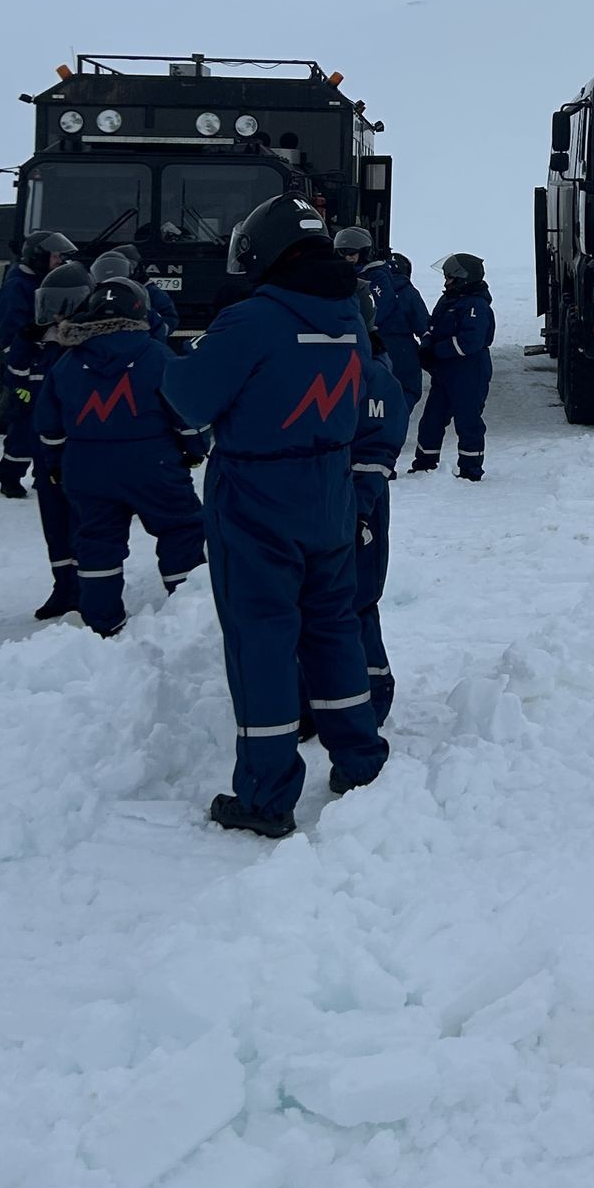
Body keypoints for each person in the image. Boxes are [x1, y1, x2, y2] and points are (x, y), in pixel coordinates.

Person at [162, 194, 388, 838]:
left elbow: (189, 401)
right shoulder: (346, 314)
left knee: (261, 638)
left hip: (257, 494)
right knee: (332, 627)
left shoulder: (251, 320)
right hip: (330, 488)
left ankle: (265, 795)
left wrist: (172, 354)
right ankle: (360, 759)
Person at [33, 275, 209, 636]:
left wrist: (55, 465)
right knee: (180, 530)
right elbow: (185, 413)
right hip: (153, 465)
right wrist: (194, 450)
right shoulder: (156, 354)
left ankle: (102, 622)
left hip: (86, 469)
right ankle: (189, 611)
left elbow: (48, 427)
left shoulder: (67, 362)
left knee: (97, 542)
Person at [11, 263, 94, 619]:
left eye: (64, 306)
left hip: (80, 450)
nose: (56, 315)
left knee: (86, 522)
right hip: (46, 449)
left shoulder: (88, 350)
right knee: (55, 522)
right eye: (51, 305)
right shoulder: (40, 346)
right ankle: (64, 587)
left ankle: (90, 588)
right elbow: (18, 381)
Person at [347, 288, 409, 724]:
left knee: (359, 599)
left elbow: (375, 452)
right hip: (323, 503)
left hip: (357, 508)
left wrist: (358, 511)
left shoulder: (373, 376)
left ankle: (372, 692)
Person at [0, 231, 74, 496]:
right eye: (55, 256)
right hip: (27, 364)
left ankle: (45, 473)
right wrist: (21, 368)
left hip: (47, 358)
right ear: (38, 256)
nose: (60, 261)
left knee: (50, 420)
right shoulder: (18, 285)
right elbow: (12, 332)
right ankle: (10, 475)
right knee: (24, 423)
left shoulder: (48, 280)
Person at [411, 255, 495, 480]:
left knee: (468, 420)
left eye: (449, 277)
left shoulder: (476, 305)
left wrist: (437, 351)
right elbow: (434, 326)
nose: (445, 281)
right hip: (445, 372)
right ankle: (425, 462)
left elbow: (470, 342)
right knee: (432, 418)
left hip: (469, 370)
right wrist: (427, 346)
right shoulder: (449, 300)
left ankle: (470, 468)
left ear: (462, 278)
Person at [362, 249, 429, 406]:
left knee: (373, 392)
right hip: (403, 350)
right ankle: (398, 422)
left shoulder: (369, 288)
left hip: (374, 346)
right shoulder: (409, 292)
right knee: (407, 391)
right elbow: (422, 323)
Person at [90, 245, 178, 342]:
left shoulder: (151, 292)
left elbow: (168, 321)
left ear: (136, 269)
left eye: (122, 267)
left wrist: (146, 312)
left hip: (142, 341)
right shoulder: (103, 291)